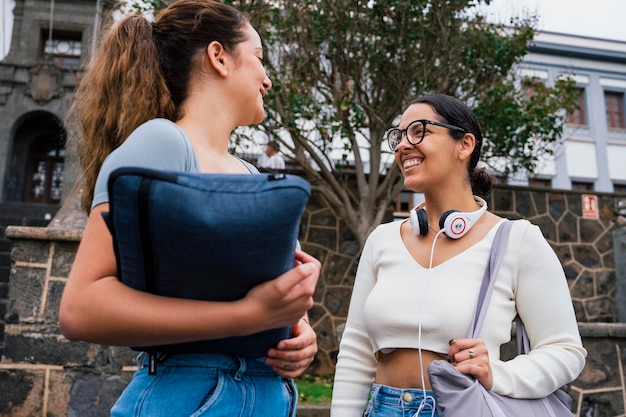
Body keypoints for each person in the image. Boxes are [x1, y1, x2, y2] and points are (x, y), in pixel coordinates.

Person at [58, 1, 320, 416]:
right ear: (219, 57)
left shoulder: (251, 174)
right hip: (194, 395)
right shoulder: (162, 141)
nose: (267, 79)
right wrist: (244, 316)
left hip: (267, 394)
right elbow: (80, 309)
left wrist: (300, 335)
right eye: (259, 58)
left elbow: (275, 308)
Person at [330, 93, 586, 417]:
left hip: (464, 408)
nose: (402, 145)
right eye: (398, 136)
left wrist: (499, 373)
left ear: (464, 145)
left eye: (419, 130)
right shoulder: (382, 240)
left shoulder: (516, 241)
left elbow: (566, 351)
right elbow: (355, 352)